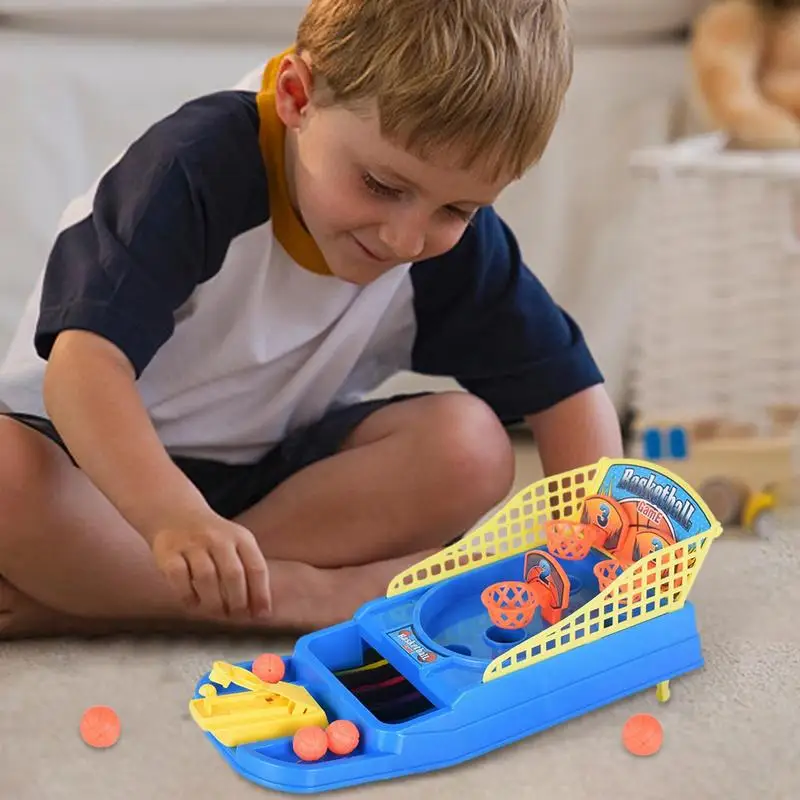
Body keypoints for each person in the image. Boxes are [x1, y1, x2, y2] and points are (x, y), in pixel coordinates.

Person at [0, 0, 623, 640]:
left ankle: (119, 596)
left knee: (472, 446)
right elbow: (84, 369)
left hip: (276, 481)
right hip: (92, 471)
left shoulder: (440, 240)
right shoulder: (194, 165)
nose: (407, 239)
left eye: (458, 210)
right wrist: (171, 517)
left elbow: (568, 393)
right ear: (298, 98)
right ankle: (291, 593)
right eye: (381, 185)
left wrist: (599, 550)